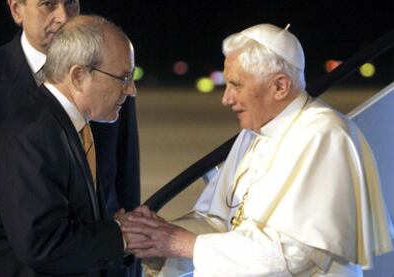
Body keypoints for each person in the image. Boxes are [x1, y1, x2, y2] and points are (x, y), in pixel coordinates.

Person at [122, 23, 393, 276]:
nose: (226, 99)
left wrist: (182, 244)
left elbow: (294, 255)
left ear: (280, 86)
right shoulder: (254, 133)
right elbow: (218, 223)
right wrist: (156, 240)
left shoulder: (326, 135)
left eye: (236, 85)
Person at [0, 1, 141, 275]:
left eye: (71, 3)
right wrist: (123, 237)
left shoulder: (86, 104)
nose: (63, 16)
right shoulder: (29, 132)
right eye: (48, 4)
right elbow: (41, 242)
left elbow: (123, 181)